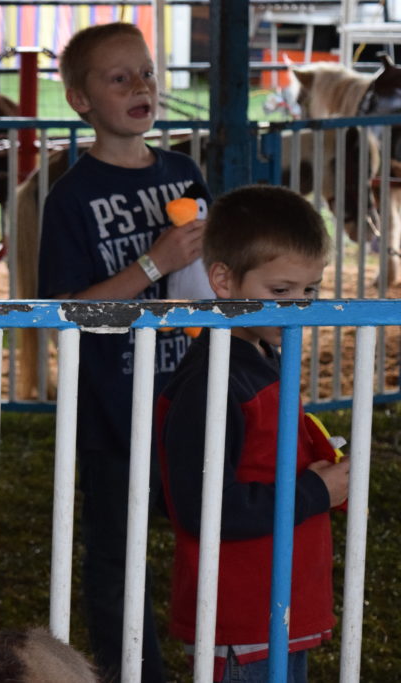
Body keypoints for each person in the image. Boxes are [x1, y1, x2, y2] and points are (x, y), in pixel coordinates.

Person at [36, 22, 211, 683]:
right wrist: (152, 261)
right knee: (118, 555)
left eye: (146, 73)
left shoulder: (184, 171)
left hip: (189, 393)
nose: (141, 86)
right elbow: (71, 310)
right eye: (120, 78)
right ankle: (134, 670)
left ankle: (228, 654)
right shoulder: (72, 197)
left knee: (215, 528)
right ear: (81, 100)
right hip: (113, 405)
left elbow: (211, 269)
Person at [155, 185, 350, 683]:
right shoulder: (212, 383)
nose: (298, 308)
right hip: (242, 612)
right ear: (222, 279)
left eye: (311, 291)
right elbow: (204, 507)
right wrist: (316, 491)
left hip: (277, 608)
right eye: (280, 292)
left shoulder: (261, 358)